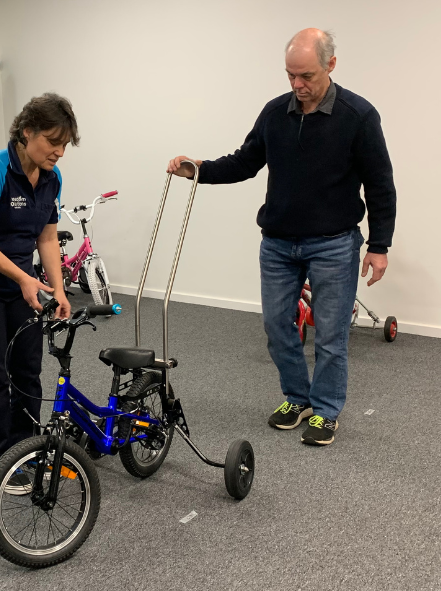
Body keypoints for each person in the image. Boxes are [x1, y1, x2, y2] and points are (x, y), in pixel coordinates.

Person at [167, 28, 397, 446]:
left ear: (330, 65)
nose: (297, 85)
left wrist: (380, 246)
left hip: (333, 243)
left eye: (306, 75)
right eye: (290, 75)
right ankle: (297, 397)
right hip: (277, 244)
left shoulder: (358, 116)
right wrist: (197, 169)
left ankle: (325, 410)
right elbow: (245, 162)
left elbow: (380, 185)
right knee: (276, 327)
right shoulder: (276, 113)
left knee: (330, 333)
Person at [0, 93, 77, 480]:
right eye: (53, 142)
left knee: (27, 369)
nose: (60, 152)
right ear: (27, 132)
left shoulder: (52, 178)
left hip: (21, 286)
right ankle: (1, 463)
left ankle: (26, 448)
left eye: (65, 144)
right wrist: (23, 277)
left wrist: (58, 290)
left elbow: (48, 239)